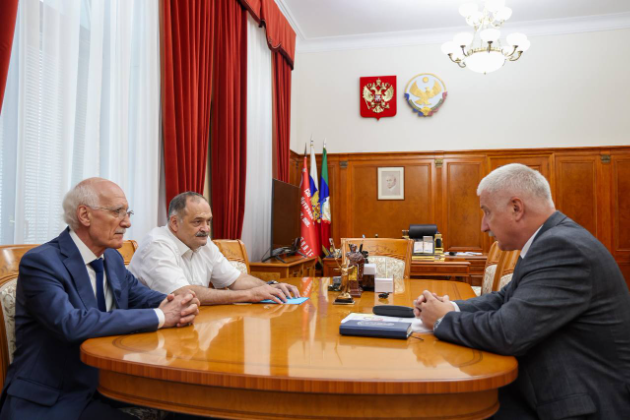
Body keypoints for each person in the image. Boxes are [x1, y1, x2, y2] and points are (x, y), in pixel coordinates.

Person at [413, 163, 630, 419]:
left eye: (487, 212)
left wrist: (443, 319)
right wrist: (451, 307)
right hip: (544, 385)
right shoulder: (550, 239)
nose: (484, 226)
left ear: (516, 208)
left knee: (439, 405)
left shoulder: (562, 246)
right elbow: (505, 298)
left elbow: (508, 333)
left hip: (577, 404)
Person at [0, 178, 200, 420]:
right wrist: (161, 315)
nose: (127, 222)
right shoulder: (42, 262)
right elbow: (71, 324)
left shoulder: (112, 258)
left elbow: (144, 297)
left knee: (197, 402)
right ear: (85, 215)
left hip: (107, 383)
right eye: (117, 212)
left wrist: (180, 303)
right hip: (53, 397)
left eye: (128, 213)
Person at [129, 191, 300, 305]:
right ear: (175, 223)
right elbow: (183, 294)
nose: (206, 229)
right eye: (198, 221)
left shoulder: (203, 242)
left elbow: (235, 279)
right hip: (154, 336)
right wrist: (250, 294)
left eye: (208, 221)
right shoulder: (156, 245)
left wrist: (270, 287)